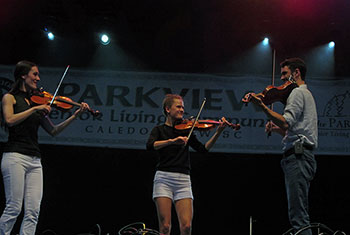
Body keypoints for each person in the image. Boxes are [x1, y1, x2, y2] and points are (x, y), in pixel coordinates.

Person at [0, 60, 90, 235]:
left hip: (34, 159)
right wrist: (34, 110)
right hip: (15, 156)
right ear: (23, 75)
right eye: (34, 74)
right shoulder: (10, 98)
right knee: (14, 207)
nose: (38, 78)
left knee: (33, 211)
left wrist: (76, 115)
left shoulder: (36, 103)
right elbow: (10, 120)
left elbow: (54, 130)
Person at [243, 58, 318, 235]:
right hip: (301, 156)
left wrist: (262, 106)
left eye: (285, 74)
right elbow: (293, 130)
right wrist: (276, 128)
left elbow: (286, 123)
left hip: (298, 157)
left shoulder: (298, 93)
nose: (282, 80)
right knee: (298, 213)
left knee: (298, 217)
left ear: (296, 73)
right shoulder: (305, 94)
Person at [146, 94, 229, 235]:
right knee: (165, 227)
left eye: (183, 107)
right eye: (178, 106)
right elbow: (150, 145)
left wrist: (218, 132)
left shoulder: (186, 129)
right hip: (163, 178)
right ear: (167, 109)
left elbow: (203, 149)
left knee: (186, 227)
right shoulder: (159, 130)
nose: (182, 110)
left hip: (183, 180)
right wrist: (172, 141)